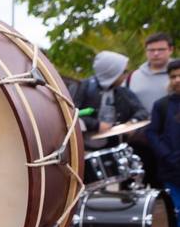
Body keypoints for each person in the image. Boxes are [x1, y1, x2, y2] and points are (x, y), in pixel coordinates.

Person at [72, 49, 149, 151]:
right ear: (112, 73)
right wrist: (96, 125)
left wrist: (132, 122)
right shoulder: (82, 87)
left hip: (115, 145)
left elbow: (142, 111)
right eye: (124, 72)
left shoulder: (122, 92)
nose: (126, 75)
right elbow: (71, 114)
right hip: (86, 147)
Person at [127, 34, 173, 185]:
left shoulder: (176, 74)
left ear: (170, 50)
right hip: (141, 142)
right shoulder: (132, 77)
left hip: (172, 143)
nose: (156, 53)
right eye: (151, 50)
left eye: (161, 49)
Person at [145, 58, 180, 210]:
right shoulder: (161, 105)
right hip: (170, 169)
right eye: (173, 77)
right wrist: (167, 155)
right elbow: (152, 133)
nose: (177, 80)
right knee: (175, 210)